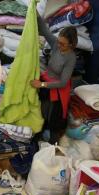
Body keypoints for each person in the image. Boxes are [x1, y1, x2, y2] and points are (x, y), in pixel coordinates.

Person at [31, 13, 78, 144]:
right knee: (41, 113)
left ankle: (53, 147)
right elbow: (45, 30)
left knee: (54, 119)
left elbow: (63, 83)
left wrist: (41, 85)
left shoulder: (71, 58)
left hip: (58, 90)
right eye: (59, 41)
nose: (59, 45)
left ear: (71, 45)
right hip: (47, 82)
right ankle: (36, 140)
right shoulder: (56, 45)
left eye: (63, 44)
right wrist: (35, 11)